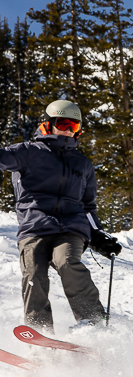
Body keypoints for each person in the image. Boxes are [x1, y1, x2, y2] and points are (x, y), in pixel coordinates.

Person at [0, 100, 122, 331]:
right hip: (34, 226)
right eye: (63, 123)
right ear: (48, 124)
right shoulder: (27, 152)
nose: (68, 129)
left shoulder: (82, 164)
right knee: (34, 274)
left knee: (67, 262)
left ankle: (93, 324)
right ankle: (40, 331)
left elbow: (88, 205)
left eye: (74, 126)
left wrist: (97, 236)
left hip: (71, 227)